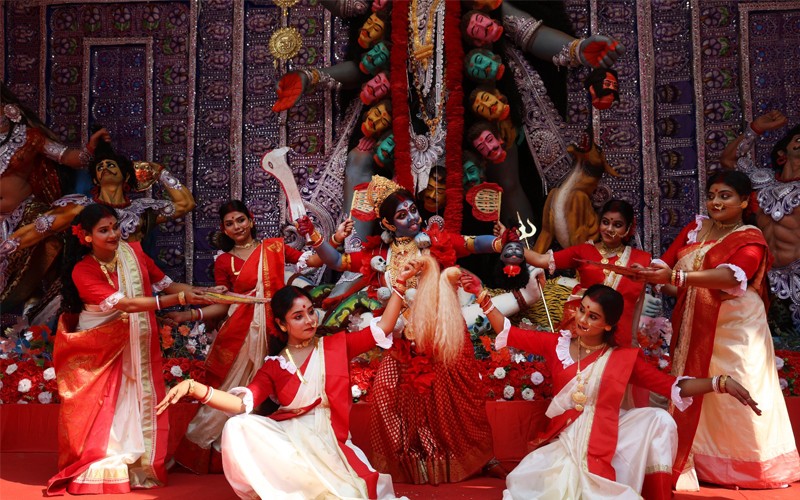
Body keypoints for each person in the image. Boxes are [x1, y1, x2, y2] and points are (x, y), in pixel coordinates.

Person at [469, 279, 761, 499]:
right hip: (568, 435)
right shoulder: (556, 344)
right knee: (531, 484)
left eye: (593, 316)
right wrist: (482, 296)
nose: (582, 319)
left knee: (660, 419)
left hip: (608, 431)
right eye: (582, 310)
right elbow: (510, 332)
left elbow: (672, 386)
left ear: (608, 325)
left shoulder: (621, 359)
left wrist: (718, 383)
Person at [156, 266, 418, 500]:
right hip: (291, 439)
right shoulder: (274, 365)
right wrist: (194, 388)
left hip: (330, 438)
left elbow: (382, 328)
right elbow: (240, 403)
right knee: (238, 425)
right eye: (298, 316)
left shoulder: (335, 345)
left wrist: (400, 286)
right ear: (281, 325)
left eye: (311, 312)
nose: (310, 320)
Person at [637, 170, 800, 489]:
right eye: (712, 195)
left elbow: (730, 277)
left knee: (740, 383)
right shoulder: (695, 229)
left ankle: (751, 468)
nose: (715, 202)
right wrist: (649, 273)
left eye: (725, 196)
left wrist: (676, 279)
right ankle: (698, 464)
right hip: (694, 321)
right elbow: (666, 269)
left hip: (737, 327)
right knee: (700, 388)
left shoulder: (750, 237)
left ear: (743, 202)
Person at [45, 204, 220, 495]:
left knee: (131, 395)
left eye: (114, 226)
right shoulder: (83, 270)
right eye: (104, 230)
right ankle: (100, 459)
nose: (114, 234)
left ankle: (133, 458)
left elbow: (164, 284)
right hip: (97, 346)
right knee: (102, 401)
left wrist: (202, 292)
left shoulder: (134, 253)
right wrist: (175, 299)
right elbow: (125, 304)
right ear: (86, 237)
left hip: (131, 341)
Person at [168, 200, 327, 473]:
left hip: (277, 328)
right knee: (236, 386)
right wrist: (188, 316)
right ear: (224, 230)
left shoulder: (274, 248)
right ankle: (209, 448)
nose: (236, 227)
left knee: (271, 392)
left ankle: (258, 454)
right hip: (240, 332)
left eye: (240, 220)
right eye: (229, 223)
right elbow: (221, 304)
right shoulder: (223, 261)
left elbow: (313, 260)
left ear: (251, 220)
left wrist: (328, 239)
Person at [369, 255, 505, 484]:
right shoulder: (398, 282)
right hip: (408, 365)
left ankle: (480, 457)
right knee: (390, 383)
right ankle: (417, 463)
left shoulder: (450, 313)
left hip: (444, 362)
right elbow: (388, 330)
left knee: (462, 394)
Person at [0, 82, 110, 311]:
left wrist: (90, 149)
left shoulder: (28, 138)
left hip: (24, 214)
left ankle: (39, 308)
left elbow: (69, 158)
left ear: (7, 108)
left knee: (61, 221)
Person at [517, 199, 654, 346]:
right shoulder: (583, 251)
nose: (609, 229)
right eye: (605, 222)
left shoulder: (642, 260)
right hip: (586, 336)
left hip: (621, 341)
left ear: (628, 229)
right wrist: (508, 242)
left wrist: (633, 340)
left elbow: (643, 302)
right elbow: (540, 259)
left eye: (617, 225)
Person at [720, 110, 800, 330]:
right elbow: (729, 159)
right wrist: (756, 129)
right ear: (783, 153)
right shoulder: (761, 181)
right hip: (763, 278)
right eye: (798, 139)